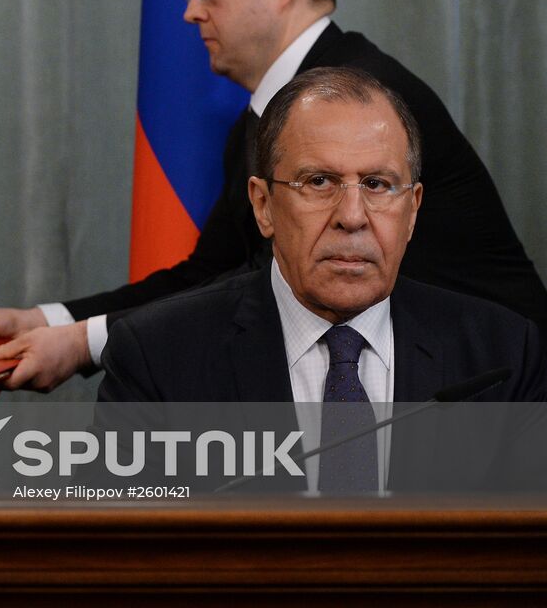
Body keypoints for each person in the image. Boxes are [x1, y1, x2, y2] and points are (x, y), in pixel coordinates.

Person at [0, 0, 547, 389]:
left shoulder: (358, 102)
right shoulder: (269, 112)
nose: (191, 11)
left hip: (488, 401)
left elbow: (245, 288)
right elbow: (210, 275)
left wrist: (82, 342)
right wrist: (51, 321)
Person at [95, 68, 544, 491]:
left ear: (412, 211)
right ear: (263, 205)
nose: (352, 218)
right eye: (319, 181)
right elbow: (129, 561)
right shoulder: (159, 357)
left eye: (377, 184)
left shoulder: (501, 356)